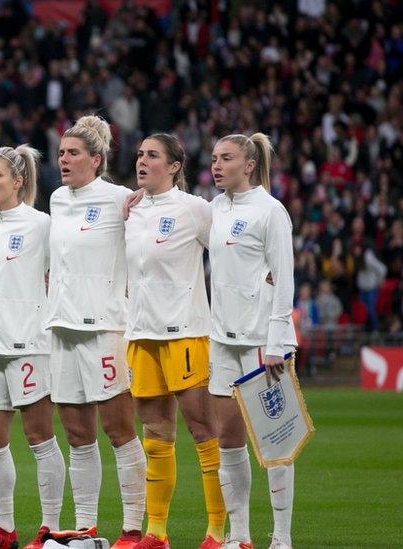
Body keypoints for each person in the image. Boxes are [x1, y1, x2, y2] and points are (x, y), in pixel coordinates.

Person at [47, 115, 146, 548]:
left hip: (105, 328)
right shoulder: (55, 199)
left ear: (97, 159)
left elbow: (165, 225)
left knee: (120, 431)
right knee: (77, 436)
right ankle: (85, 525)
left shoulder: (122, 199)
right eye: (62, 152)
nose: (63, 159)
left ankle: (132, 528)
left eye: (73, 153)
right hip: (61, 328)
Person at [124, 135, 225, 549]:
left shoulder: (194, 209)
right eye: (140, 154)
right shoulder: (128, 210)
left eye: (152, 155)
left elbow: (234, 246)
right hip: (140, 332)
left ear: (175, 166)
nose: (142, 161)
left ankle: (218, 529)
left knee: (203, 429)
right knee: (155, 432)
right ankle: (156, 531)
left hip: (185, 331)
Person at [0, 145, 65, 549]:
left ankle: (50, 527)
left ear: (18, 181)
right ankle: (3, 529)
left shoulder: (41, 224)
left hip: (30, 343)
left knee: (40, 436)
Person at [207, 133, 298, 549]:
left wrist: (279, 340)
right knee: (228, 439)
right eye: (213, 158)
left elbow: (285, 280)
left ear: (248, 164)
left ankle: (281, 538)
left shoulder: (270, 211)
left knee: (275, 440)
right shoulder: (215, 208)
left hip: (263, 341)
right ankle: (239, 536)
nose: (217, 164)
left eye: (226, 158)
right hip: (221, 338)